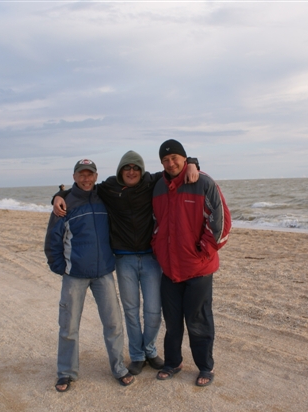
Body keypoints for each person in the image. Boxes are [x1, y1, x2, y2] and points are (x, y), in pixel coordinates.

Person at [52, 151, 199, 376]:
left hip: (151, 259)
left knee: (153, 311)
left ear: (142, 170)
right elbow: (82, 189)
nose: (131, 172)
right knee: (130, 311)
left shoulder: (151, 181)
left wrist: (192, 163)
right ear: (120, 171)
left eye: (136, 168)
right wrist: (58, 195)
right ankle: (137, 355)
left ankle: (150, 350)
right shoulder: (109, 188)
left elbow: (173, 171)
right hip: (123, 259)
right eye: (127, 168)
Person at [44, 159, 134, 392]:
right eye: (81, 175)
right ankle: (66, 372)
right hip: (74, 275)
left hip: (103, 273)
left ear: (96, 176)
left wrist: (57, 194)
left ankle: (119, 368)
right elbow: (52, 239)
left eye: (90, 174)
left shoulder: (104, 197)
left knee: (113, 323)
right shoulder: (65, 204)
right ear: (74, 177)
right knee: (69, 325)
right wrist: (61, 267)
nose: (86, 179)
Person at [151, 139, 231, 387]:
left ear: (184, 159)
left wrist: (204, 252)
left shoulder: (203, 182)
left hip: (198, 269)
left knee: (198, 321)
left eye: (174, 158)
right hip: (169, 269)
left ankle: (205, 366)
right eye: (165, 160)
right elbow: (155, 222)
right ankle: (173, 362)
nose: (170, 163)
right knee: (172, 322)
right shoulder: (158, 186)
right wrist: (158, 248)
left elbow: (221, 223)